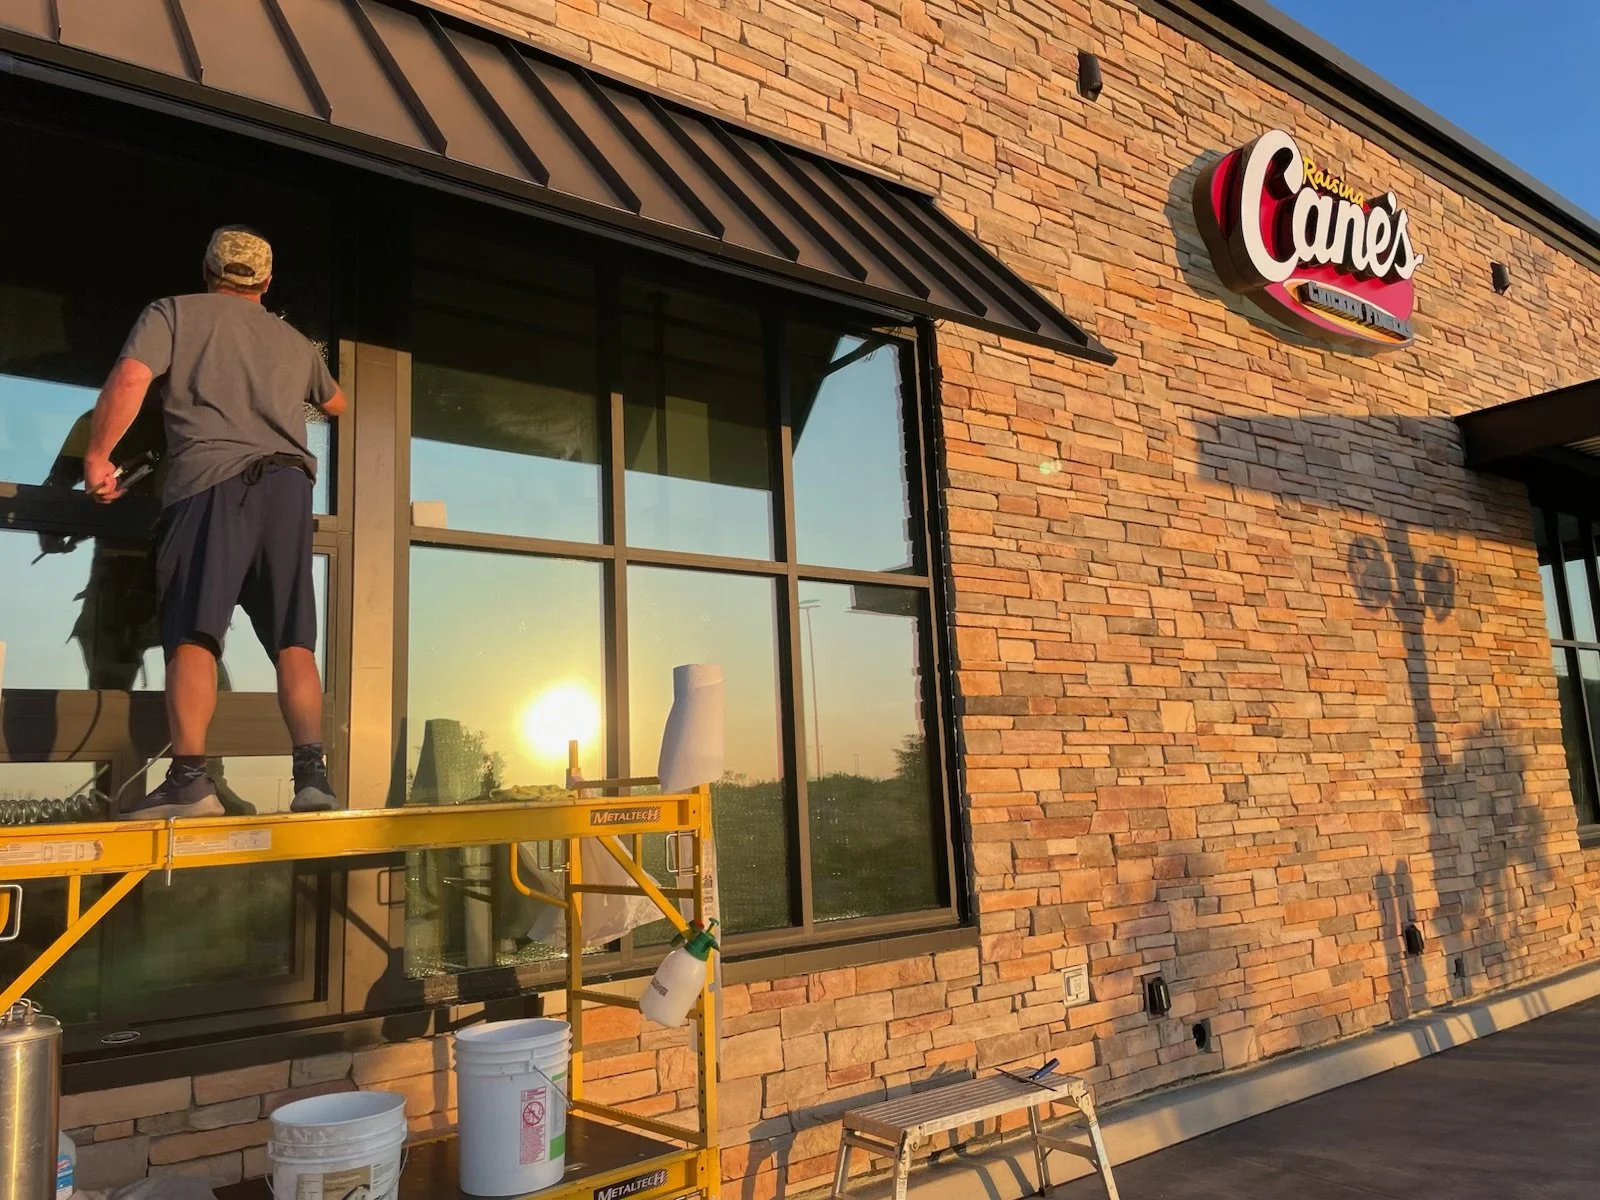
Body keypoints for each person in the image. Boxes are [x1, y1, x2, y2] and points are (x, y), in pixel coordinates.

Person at [84, 226, 347, 818]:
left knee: (193, 635)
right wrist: (281, 381)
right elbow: (336, 402)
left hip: (211, 483)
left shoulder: (173, 312)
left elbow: (131, 377)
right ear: (266, 282)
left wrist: (99, 456)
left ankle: (189, 782)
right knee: (293, 641)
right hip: (288, 489)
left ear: (207, 270)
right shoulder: (294, 342)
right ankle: (312, 779)